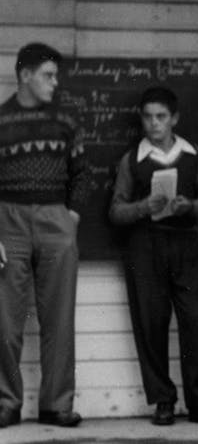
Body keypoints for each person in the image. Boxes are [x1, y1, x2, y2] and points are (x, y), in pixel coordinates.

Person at [108, 85, 198, 427]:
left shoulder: (192, 155)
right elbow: (115, 210)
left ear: (174, 118)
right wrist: (144, 207)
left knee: (194, 322)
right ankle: (163, 400)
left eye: (161, 117)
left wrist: (189, 207)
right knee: (151, 323)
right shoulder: (132, 160)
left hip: (185, 244)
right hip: (145, 246)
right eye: (147, 117)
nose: (153, 124)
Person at [0, 42, 85, 430]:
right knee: (5, 320)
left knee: (59, 318)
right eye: (48, 75)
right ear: (24, 75)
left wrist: (70, 216)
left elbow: (82, 173)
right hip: (8, 221)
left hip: (56, 218)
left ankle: (57, 404)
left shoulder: (66, 121)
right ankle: (6, 404)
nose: (55, 82)